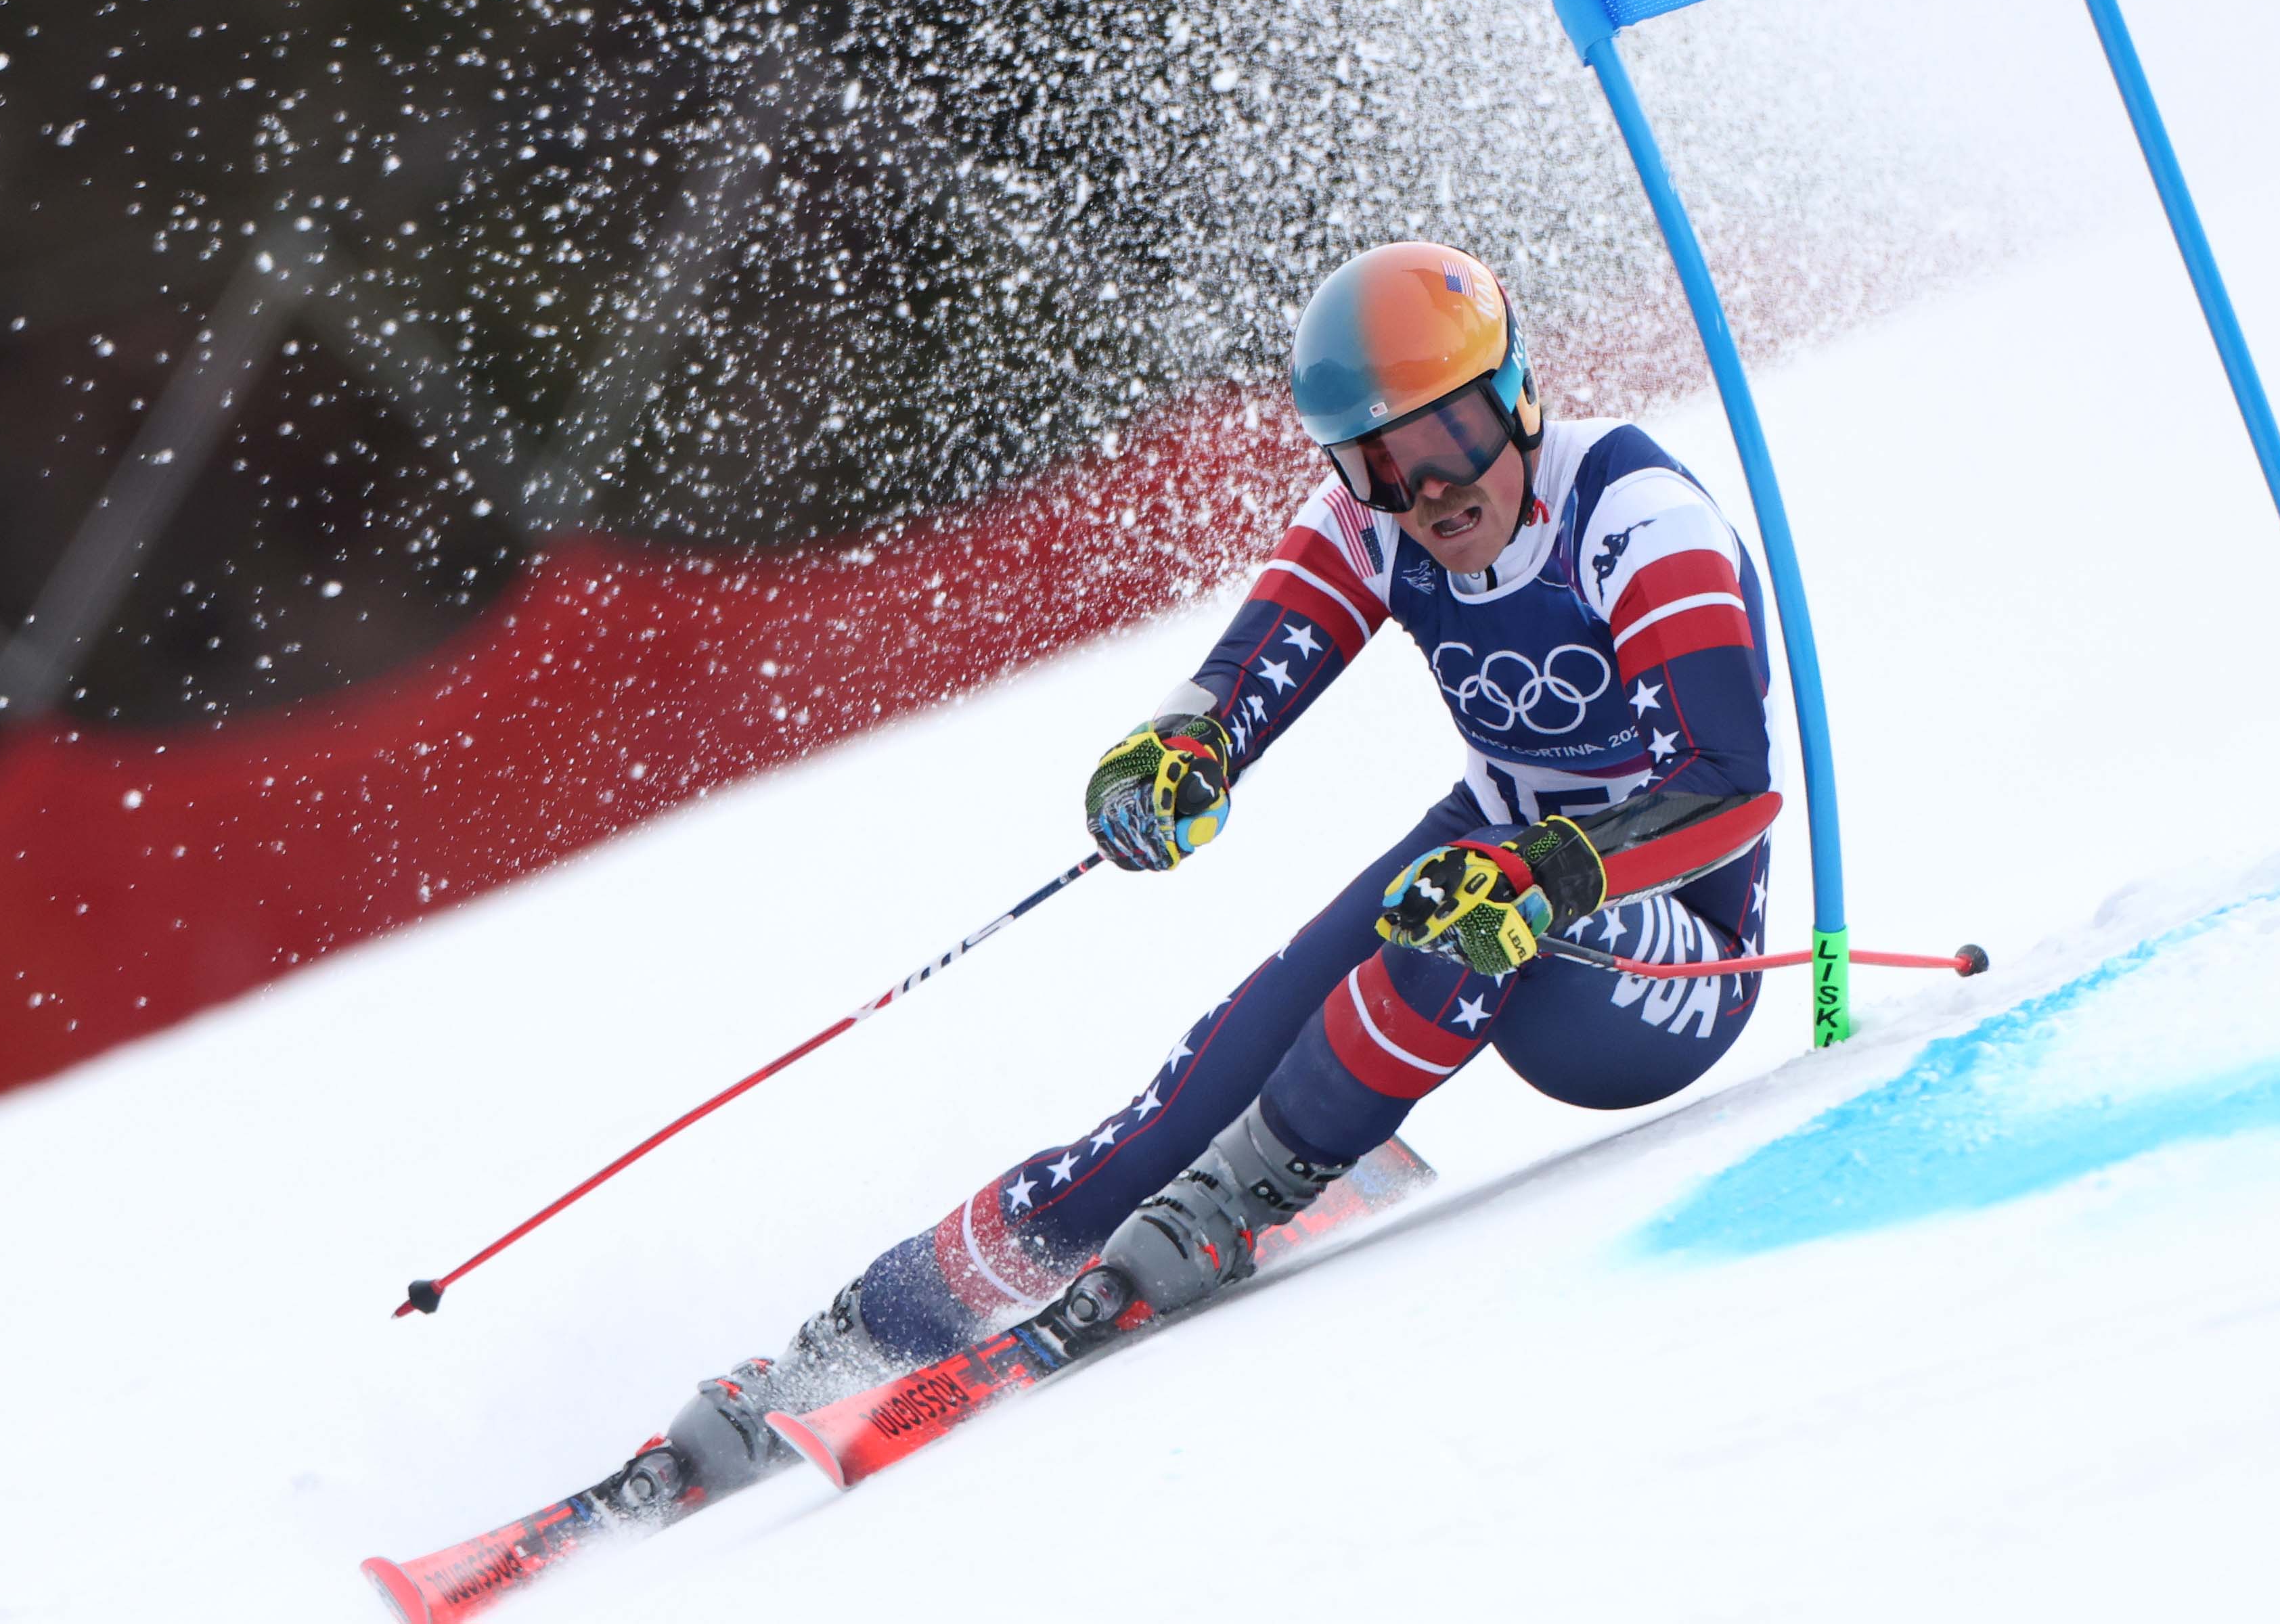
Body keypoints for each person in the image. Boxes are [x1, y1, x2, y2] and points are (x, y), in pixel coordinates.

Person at [630, 241, 1783, 1505]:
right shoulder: (1377, 525)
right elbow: (1235, 680)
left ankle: (1240, 1197)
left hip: (1667, 950)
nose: (1428, 488)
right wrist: (1179, 757)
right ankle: (836, 1349)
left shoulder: (1632, 515)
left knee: (1456, 910)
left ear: (1514, 393)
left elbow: (1727, 783)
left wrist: (1553, 871)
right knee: (1171, 1114)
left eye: (1450, 433)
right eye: (1380, 461)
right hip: (1492, 859)